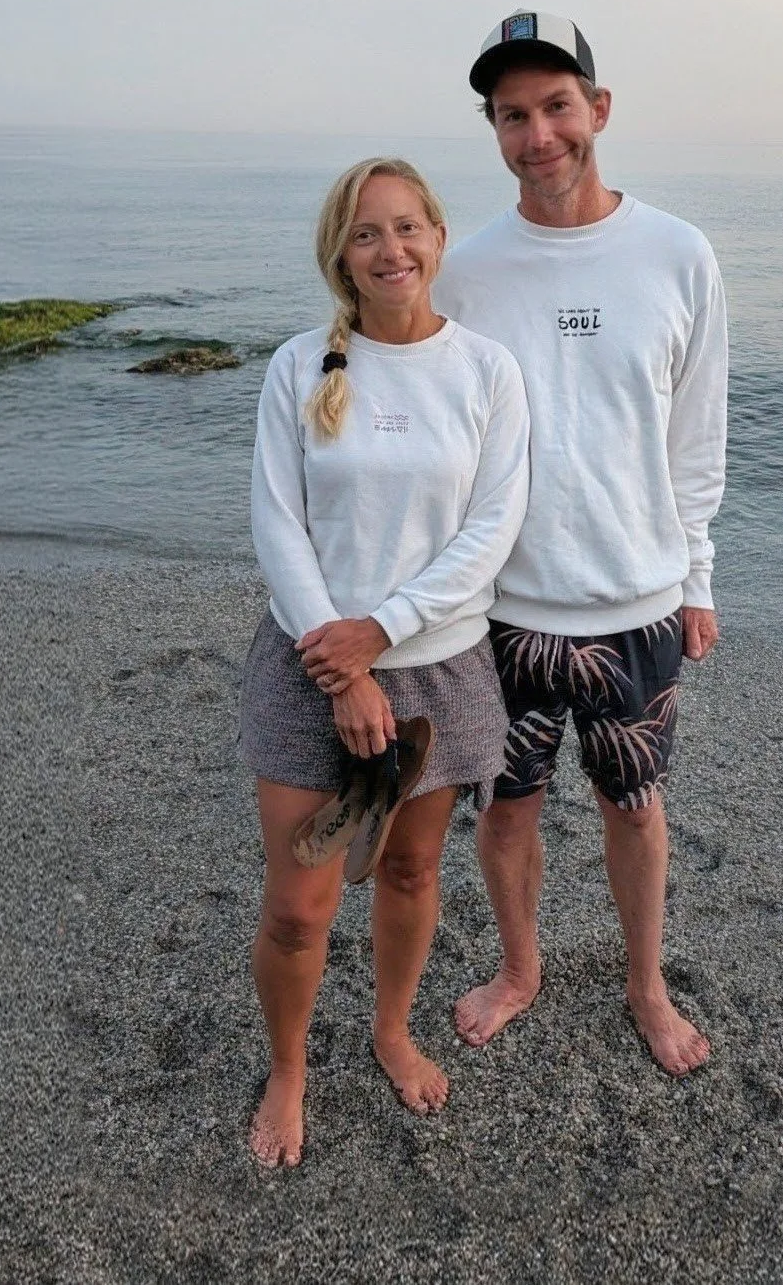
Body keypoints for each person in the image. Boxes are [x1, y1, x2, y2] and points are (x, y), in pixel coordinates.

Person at [432, 12, 728, 1078]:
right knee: (503, 810)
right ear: (495, 131)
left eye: (556, 106)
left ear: (596, 110)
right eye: (512, 115)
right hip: (500, 610)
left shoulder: (676, 254)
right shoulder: (463, 274)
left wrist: (695, 578)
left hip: (636, 603)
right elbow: (437, 441)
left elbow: (696, 435)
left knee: (633, 806)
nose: (537, 133)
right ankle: (520, 970)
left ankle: (644, 987)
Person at [239, 156, 530, 1166]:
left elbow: (490, 529)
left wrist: (387, 632)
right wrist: (345, 662)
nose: (390, 248)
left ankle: (390, 1030)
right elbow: (277, 525)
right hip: (309, 658)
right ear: (341, 255)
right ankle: (287, 1069)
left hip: (437, 666)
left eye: (407, 227)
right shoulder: (296, 368)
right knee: (297, 903)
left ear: (439, 239)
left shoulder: (486, 370)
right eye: (366, 233)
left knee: (408, 869)